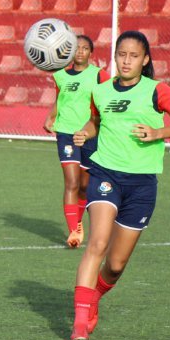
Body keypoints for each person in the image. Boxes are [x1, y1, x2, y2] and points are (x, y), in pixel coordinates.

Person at [69, 31, 170, 340]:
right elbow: (95, 121)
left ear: (145, 60)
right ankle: (80, 323)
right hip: (105, 173)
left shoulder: (158, 91)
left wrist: (157, 132)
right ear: (115, 56)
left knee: (115, 265)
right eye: (121, 54)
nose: (126, 61)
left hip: (142, 184)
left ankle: (94, 297)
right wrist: (85, 132)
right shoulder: (99, 91)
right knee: (97, 243)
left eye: (133, 56)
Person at [44, 35, 110, 248]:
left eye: (84, 48)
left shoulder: (100, 75)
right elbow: (60, 99)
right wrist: (51, 116)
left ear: (91, 52)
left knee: (84, 186)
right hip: (66, 133)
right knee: (71, 182)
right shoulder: (60, 75)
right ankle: (74, 230)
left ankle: (78, 221)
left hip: (90, 134)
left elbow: (107, 100)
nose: (80, 52)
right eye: (76, 48)